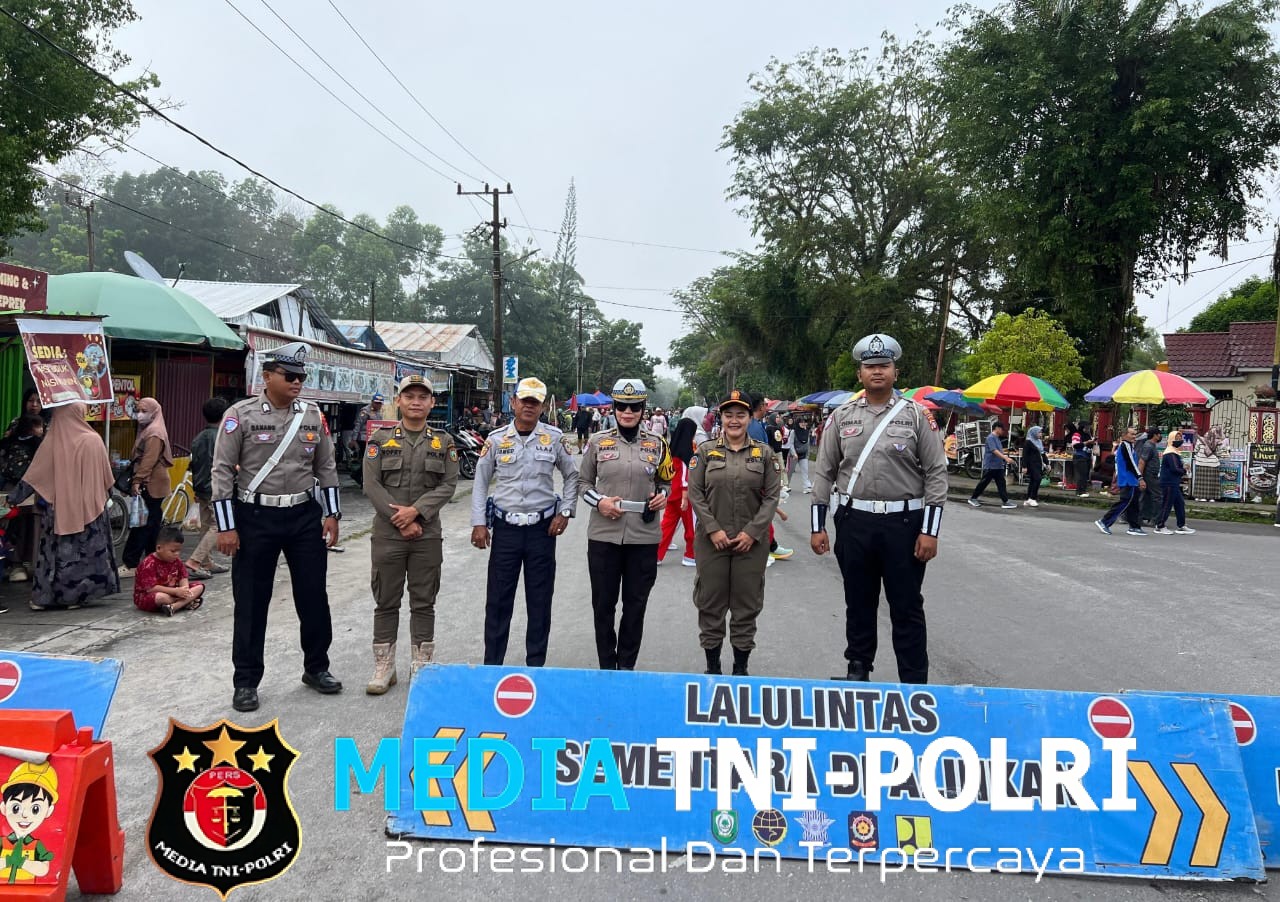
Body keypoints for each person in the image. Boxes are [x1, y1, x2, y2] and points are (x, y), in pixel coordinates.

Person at [212, 341, 343, 713]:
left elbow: (326, 467)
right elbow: (222, 470)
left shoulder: (312, 415)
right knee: (252, 602)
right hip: (255, 518)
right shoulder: (241, 415)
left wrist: (332, 514)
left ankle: (317, 668)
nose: (297, 382)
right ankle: (246, 681)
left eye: (301, 376)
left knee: (313, 596)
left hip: (303, 516)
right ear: (267, 376)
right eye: (289, 376)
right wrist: (226, 526)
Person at [809, 333, 948, 683]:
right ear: (860, 374)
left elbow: (936, 473)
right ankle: (857, 670)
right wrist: (817, 525)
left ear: (895, 372)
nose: (877, 372)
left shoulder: (917, 416)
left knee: (906, 605)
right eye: (870, 366)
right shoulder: (841, 417)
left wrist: (930, 531)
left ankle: (914, 682)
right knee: (858, 601)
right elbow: (824, 472)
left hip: (904, 524)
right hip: (854, 521)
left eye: (884, 365)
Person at [470, 377, 579, 667]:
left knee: (539, 600)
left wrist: (565, 511)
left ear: (542, 406)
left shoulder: (554, 438)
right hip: (505, 530)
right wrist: (479, 522)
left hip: (542, 531)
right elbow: (480, 482)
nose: (529, 406)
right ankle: (492, 666)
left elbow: (572, 476)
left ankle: (536, 666)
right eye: (524, 400)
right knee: (498, 600)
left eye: (535, 402)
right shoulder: (496, 439)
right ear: (514, 402)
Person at [362, 374, 459, 694]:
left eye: (422, 397)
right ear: (399, 401)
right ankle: (384, 666)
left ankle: (422, 665)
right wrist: (401, 519)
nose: (416, 402)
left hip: (426, 535)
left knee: (423, 601)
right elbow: (371, 485)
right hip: (388, 535)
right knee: (386, 601)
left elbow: (448, 484)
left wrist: (416, 512)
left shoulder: (443, 442)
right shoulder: (380, 439)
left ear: (432, 403)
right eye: (409, 396)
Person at [579, 379, 673, 669]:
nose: (627, 412)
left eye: (634, 407)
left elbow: (666, 481)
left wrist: (662, 496)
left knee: (635, 606)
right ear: (614, 408)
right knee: (603, 606)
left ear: (643, 409)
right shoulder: (597, 441)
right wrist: (600, 502)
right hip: (604, 536)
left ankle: (627, 667)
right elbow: (583, 483)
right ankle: (607, 667)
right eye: (622, 406)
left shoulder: (658, 444)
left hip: (643, 537)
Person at [688, 390, 781, 676]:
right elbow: (695, 493)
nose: (734, 420)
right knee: (710, 603)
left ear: (750, 417)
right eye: (729, 415)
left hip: (750, 544)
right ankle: (712, 667)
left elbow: (772, 497)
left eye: (741, 414)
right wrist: (713, 529)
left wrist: (752, 532)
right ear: (721, 418)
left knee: (746, 605)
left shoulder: (764, 454)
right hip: (711, 542)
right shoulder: (705, 452)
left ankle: (741, 668)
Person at [7, 403, 120, 610]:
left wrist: (13, 498)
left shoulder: (53, 441)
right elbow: (107, 479)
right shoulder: (94, 439)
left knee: (54, 556)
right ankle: (77, 597)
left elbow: (33, 477)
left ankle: (46, 599)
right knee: (88, 556)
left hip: (61, 512)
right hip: (92, 510)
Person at [120, 398, 172, 576]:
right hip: (151, 482)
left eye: (144, 411)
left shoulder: (154, 432)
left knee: (142, 524)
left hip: (151, 483)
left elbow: (148, 460)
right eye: (138, 410)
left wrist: (137, 480)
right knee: (151, 524)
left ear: (154, 413)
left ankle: (131, 563)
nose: (139, 415)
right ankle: (153, 561)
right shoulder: (147, 429)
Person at [185, 398, 229, 580]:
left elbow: (195, 464)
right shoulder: (221, 437)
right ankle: (195, 561)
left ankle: (206, 562)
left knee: (206, 524)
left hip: (201, 487)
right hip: (216, 487)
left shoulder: (199, 437)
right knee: (219, 525)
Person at [658, 406, 705, 568]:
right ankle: (690, 555)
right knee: (691, 527)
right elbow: (686, 477)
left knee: (666, 525)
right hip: (685, 496)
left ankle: (656, 554)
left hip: (672, 494)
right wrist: (685, 496)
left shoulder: (670, 452)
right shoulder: (688, 454)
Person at [134, 524, 205, 615]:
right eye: (173, 551)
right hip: (151, 595)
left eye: (179, 551)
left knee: (200, 586)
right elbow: (151, 588)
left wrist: (185, 590)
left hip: (174, 592)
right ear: (159, 548)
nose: (176, 554)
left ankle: (174, 606)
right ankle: (185, 603)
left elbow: (183, 577)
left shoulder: (176, 560)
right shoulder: (148, 564)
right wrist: (176, 592)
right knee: (160, 597)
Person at [1094, 425, 1146, 536]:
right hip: (1127, 480)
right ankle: (1104, 521)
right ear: (1124, 435)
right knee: (1124, 502)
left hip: (1131, 480)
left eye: (1135, 434)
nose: (1134, 436)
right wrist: (1140, 477)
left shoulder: (1129, 446)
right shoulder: (1125, 445)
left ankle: (1134, 527)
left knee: (1133, 504)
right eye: (1131, 434)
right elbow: (1131, 463)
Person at [967, 422, 1017, 509]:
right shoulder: (991, 438)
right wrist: (1005, 458)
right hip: (991, 465)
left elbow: (999, 450)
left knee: (1001, 483)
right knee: (984, 482)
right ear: (997, 428)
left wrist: (1005, 456)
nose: (1002, 431)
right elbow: (994, 450)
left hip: (998, 465)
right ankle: (973, 498)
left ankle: (1005, 501)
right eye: (1002, 429)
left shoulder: (997, 438)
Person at [1154, 433, 1195, 535]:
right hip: (1168, 482)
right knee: (1167, 504)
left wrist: (1183, 467)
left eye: (1180, 438)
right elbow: (1174, 468)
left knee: (1179, 503)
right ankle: (1160, 525)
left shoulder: (1175, 452)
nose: (1179, 440)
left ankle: (1181, 525)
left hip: (1174, 482)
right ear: (1171, 439)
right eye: (1176, 438)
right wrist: (1184, 470)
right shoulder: (1170, 453)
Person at [1137, 428, 1164, 523]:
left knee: (1146, 496)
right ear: (1155, 435)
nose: (1160, 436)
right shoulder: (1148, 446)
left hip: (1150, 475)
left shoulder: (1151, 445)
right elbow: (1142, 462)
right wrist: (1140, 478)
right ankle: (1156, 519)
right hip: (1149, 475)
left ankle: (1143, 516)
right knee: (1157, 496)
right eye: (1159, 434)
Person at [1021, 424, 1047, 508]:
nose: (1040, 434)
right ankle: (1032, 498)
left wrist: (1047, 463)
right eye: (1039, 432)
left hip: (1038, 464)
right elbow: (1024, 455)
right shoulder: (1028, 442)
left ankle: (1028, 498)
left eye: (1041, 432)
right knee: (1037, 479)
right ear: (1034, 432)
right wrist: (1024, 466)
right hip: (1031, 464)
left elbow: (1042, 453)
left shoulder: (1039, 442)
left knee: (1033, 481)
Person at [1071, 422, 1095, 496]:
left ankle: (1083, 490)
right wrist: (1086, 442)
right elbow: (1076, 445)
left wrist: (1092, 442)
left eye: (1088, 427)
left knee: (1085, 475)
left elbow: (1090, 446)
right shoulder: (1077, 434)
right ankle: (1080, 492)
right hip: (1079, 456)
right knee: (1082, 474)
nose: (1088, 429)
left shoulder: (1088, 435)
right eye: (1086, 427)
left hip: (1087, 456)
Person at [792, 415, 813, 493]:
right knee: (789, 472)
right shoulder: (793, 432)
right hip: (794, 455)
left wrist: (808, 454)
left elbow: (808, 444)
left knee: (805, 471)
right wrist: (794, 453)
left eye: (804, 422)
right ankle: (785, 486)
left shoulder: (806, 432)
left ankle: (807, 486)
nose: (803, 424)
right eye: (801, 422)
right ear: (798, 423)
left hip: (803, 455)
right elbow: (791, 444)